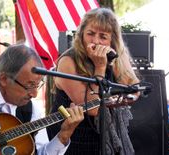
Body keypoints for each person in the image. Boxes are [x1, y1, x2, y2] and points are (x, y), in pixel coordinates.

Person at [47, 7, 140, 155]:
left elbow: (134, 88)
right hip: (72, 137)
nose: (95, 41)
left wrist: (123, 98)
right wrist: (100, 66)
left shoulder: (116, 56)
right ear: (82, 34)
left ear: (112, 40)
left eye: (103, 37)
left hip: (106, 134)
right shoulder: (68, 61)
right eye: (90, 34)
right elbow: (93, 109)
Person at [0, 44, 84, 155]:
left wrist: (64, 135)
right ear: (4, 79)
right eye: (29, 85)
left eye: (37, 85)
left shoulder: (30, 110)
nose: (34, 94)